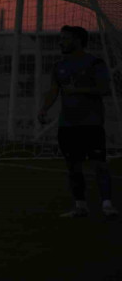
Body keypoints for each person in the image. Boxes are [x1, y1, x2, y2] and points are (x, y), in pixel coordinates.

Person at [37, 25, 118, 218]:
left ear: (78, 41)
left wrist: (78, 90)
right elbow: (54, 90)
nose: (60, 42)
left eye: (65, 38)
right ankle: (80, 206)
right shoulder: (59, 66)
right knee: (73, 166)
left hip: (91, 123)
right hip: (68, 125)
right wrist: (44, 109)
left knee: (99, 164)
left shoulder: (95, 63)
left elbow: (104, 89)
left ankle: (107, 204)